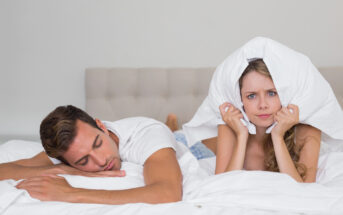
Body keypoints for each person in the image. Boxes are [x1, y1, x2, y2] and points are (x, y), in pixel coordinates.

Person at [0, 105, 182, 204]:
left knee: (176, 135)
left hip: (167, 136)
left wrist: (70, 193)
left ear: (101, 126)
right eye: (84, 160)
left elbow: (167, 193)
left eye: (98, 144)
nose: (102, 161)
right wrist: (65, 170)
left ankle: (171, 124)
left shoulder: (147, 135)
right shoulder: (69, 148)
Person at [215, 59, 321, 182]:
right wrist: (241, 135)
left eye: (271, 93)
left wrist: (278, 137)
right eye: (251, 96)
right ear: (240, 100)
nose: (263, 105)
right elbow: (221, 187)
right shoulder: (232, 126)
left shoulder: (307, 130)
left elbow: (303, 192)